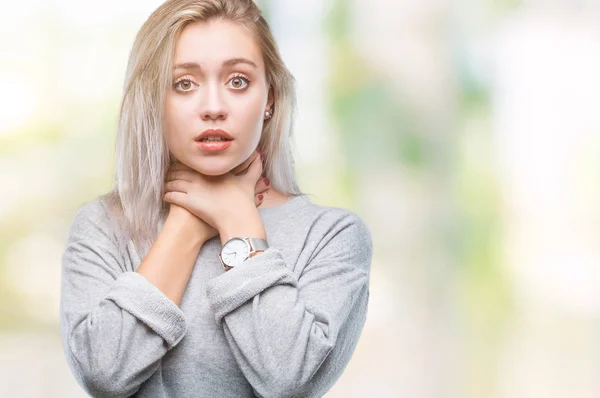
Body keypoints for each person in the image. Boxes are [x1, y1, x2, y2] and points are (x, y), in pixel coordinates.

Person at [59, 0, 373, 397]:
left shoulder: (331, 235)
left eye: (238, 81)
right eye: (184, 83)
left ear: (270, 99)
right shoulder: (102, 226)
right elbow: (104, 374)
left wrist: (239, 223)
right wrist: (187, 226)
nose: (213, 108)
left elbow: (289, 380)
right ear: (154, 99)